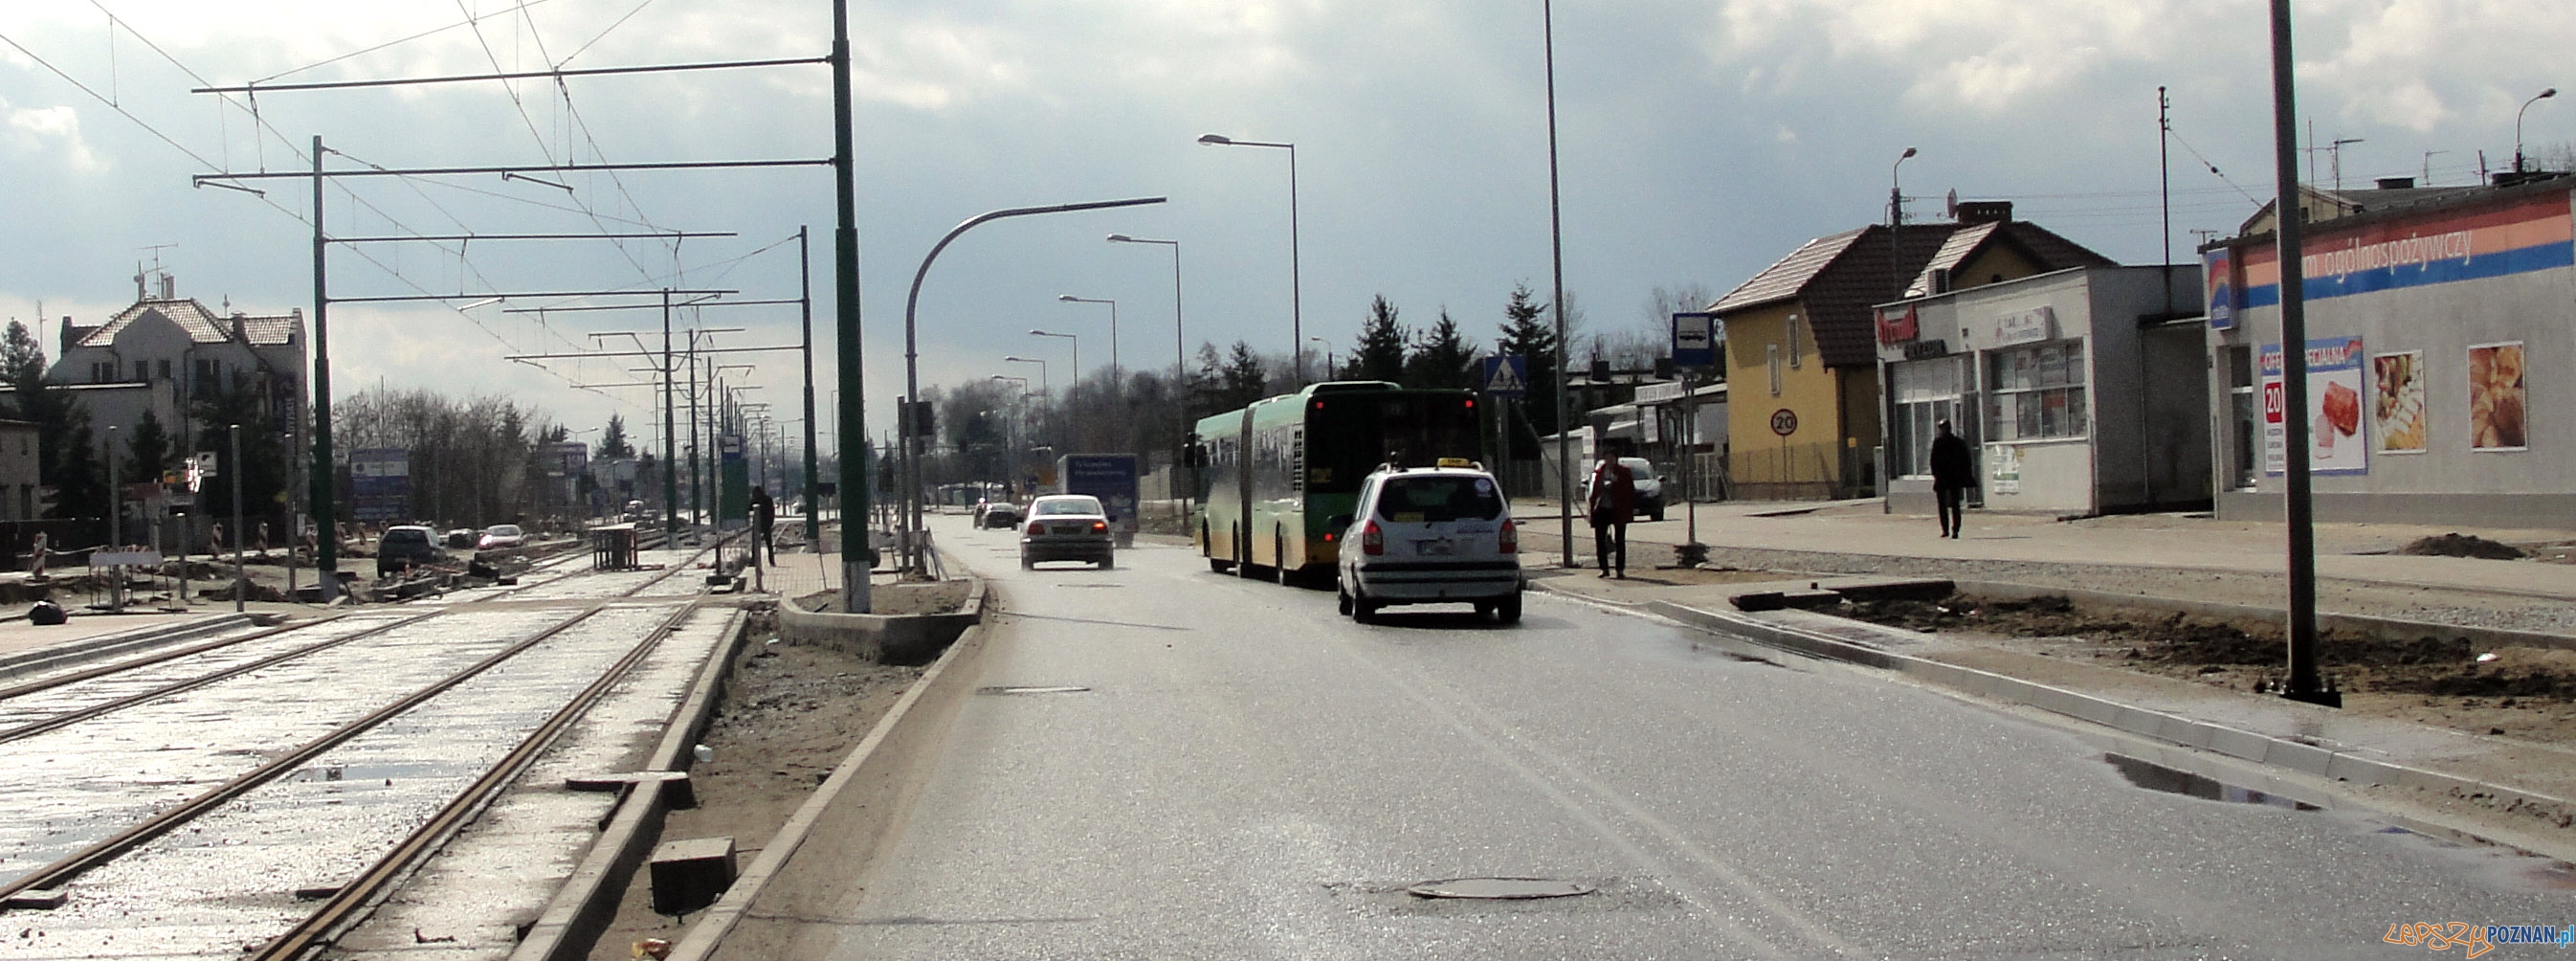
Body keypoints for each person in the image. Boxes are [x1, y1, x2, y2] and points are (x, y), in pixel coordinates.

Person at [1587, 456, 1636, 578]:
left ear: (1616, 459)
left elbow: (1629, 490)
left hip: (1618, 509)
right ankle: (1604, 568)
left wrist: (1616, 483)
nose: (1609, 461)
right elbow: (1594, 492)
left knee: (1620, 540)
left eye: (1612, 458)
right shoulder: (1599, 472)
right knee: (1600, 540)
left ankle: (1620, 569)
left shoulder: (1623, 472)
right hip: (1601, 509)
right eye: (1607, 458)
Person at [1929, 419, 1976, 539]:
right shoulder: (1948, 442)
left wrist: (1936, 474)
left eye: (1942, 428)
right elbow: (1933, 461)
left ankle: (1953, 530)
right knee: (1949, 505)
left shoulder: (1950, 442)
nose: (1941, 430)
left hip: (1948, 477)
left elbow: (1965, 460)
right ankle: (1949, 529)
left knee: (1951, 505)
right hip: (1948, 477)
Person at [748, 486, 777, 566]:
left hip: (757, 524)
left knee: (755, 544)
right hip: (766, 523)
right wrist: (771, 522)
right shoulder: (768, 499)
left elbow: (749, 508)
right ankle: (772, 561)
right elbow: (772, 511)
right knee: (769, 544)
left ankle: (753, 560)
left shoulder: (755, 500)